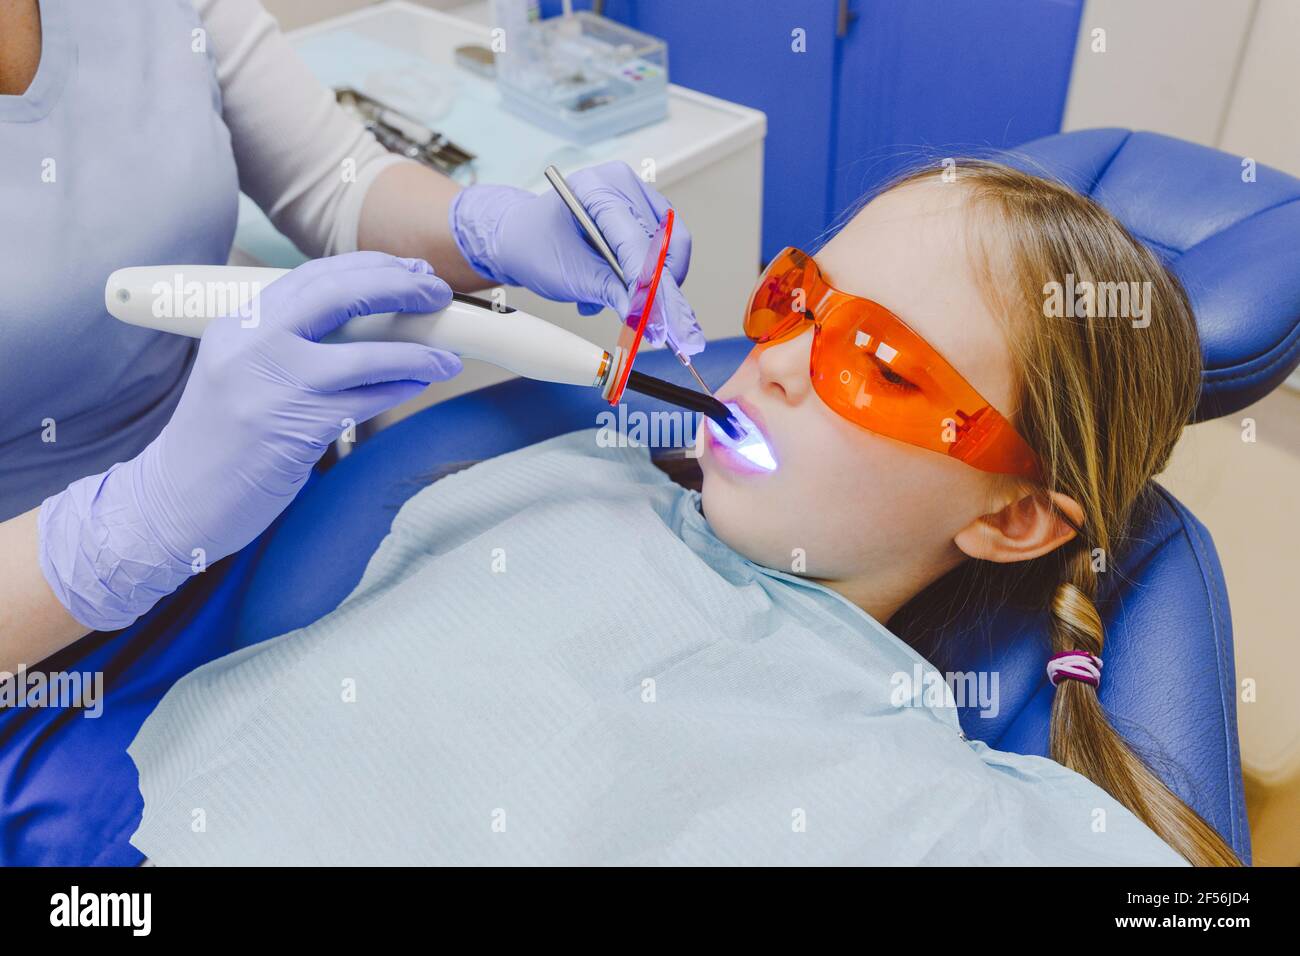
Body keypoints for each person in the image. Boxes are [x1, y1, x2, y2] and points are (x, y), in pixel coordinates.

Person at [126, 160, 1240, 866]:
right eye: (798, 297)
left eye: (882, 365)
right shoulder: (564, 482)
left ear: (1013, 519)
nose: (777, 363)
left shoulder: (923, 797)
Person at [0, 0, 699, 658]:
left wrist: (495, 229)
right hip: (42, 639)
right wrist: (133, 529)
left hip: (276, 502)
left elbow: (336, 180)